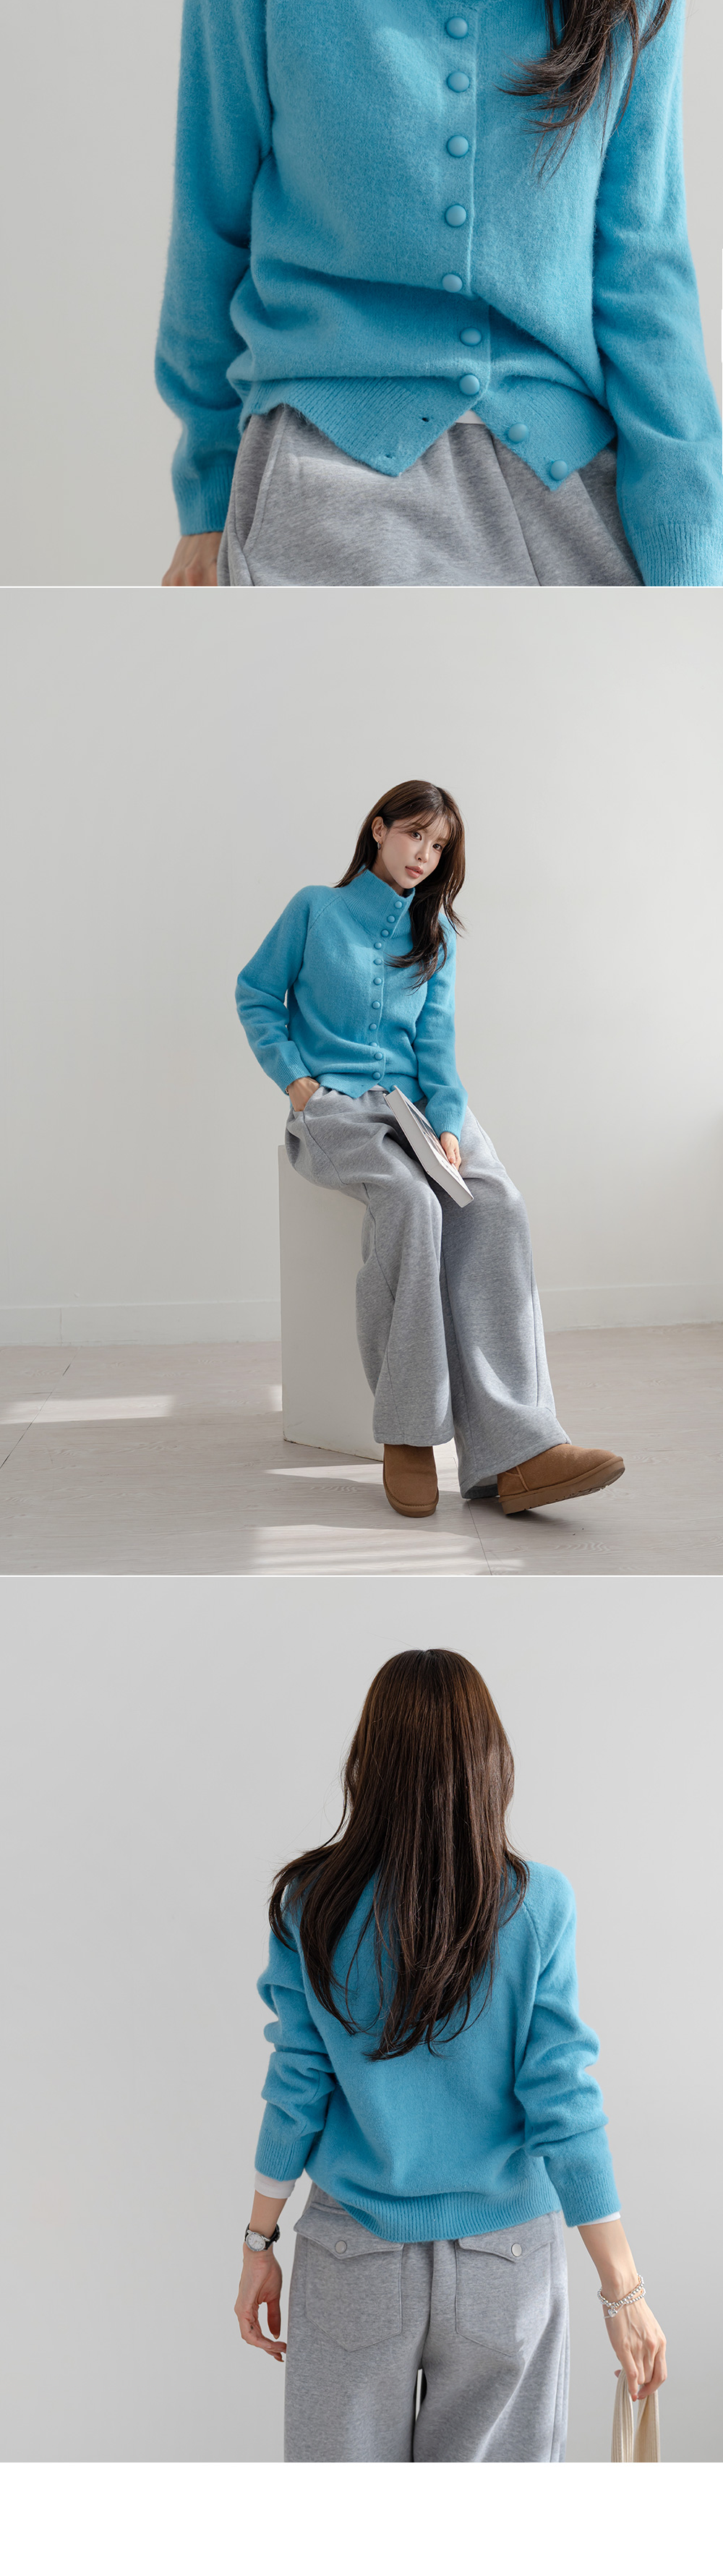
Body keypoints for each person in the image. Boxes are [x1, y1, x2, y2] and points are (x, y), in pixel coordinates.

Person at [157, 0, 723, 591]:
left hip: (578, 500)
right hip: (328, 480)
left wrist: (694, 575)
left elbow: (645, 286)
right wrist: (208, 499)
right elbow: (210, 228)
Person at [235, 1649, 667, 2462]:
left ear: (369, 1760)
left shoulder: (310, 1904)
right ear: (489, 1760)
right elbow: (563, 2100)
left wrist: (259, 2243)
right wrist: (624, 2290)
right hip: (509, 2259)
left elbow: (296, 2086)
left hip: (352, 2251)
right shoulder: (538, 1903)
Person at [235, 777, 623, 1520]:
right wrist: (297, 1082)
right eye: (415, 834)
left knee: (498, 1206)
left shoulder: (433, 935)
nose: (424, 853)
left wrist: (447, 1124)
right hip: (339, 1109)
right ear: (379, 829)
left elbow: (438, 1048)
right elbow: (256, 993)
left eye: (438, 845)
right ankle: (408, 1430)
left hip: (421, 1107)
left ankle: (520, 1450)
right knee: (413, 1205)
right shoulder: (314, 909)